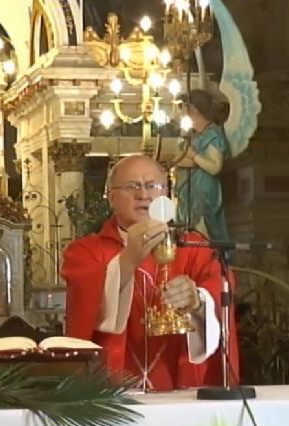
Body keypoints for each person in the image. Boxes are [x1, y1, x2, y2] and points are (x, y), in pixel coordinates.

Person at [62, 155, 239, 391]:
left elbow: (221, 287)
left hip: (179, 389)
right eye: (132, 186)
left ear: (166, 194)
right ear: (112, 198)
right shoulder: (85, 251)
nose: (143, 195)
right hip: (113, 391)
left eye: (152, 186)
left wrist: (197, 300)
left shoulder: (195, 248)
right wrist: (127, 260)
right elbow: (85, 311)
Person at [174, 89, 232, 242]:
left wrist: (195, 156)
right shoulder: (193, 136)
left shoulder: (212, 134)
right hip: (188, 192)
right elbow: (180, 160)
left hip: (203, 191)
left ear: (194, 110)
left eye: (184, 108)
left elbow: (214, 167)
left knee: (202, 233)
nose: (181, 113)